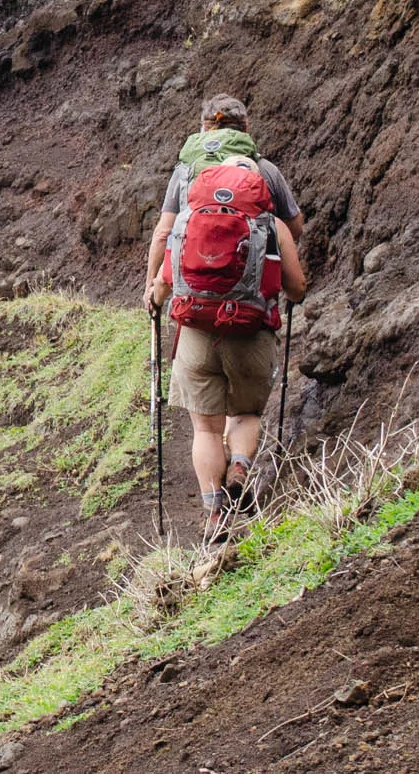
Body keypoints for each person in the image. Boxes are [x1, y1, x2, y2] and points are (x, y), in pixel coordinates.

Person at [145, 94, 309, 541]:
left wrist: (154, 291)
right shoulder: (267, 174)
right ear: (245, 128)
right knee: (246, 412)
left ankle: (214, 514)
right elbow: (295, 276)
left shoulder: (186, 172)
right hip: (252, 324)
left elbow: (165, 234)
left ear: (203, 128)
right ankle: (240, 467)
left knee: (204, 426)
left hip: (196, 325)